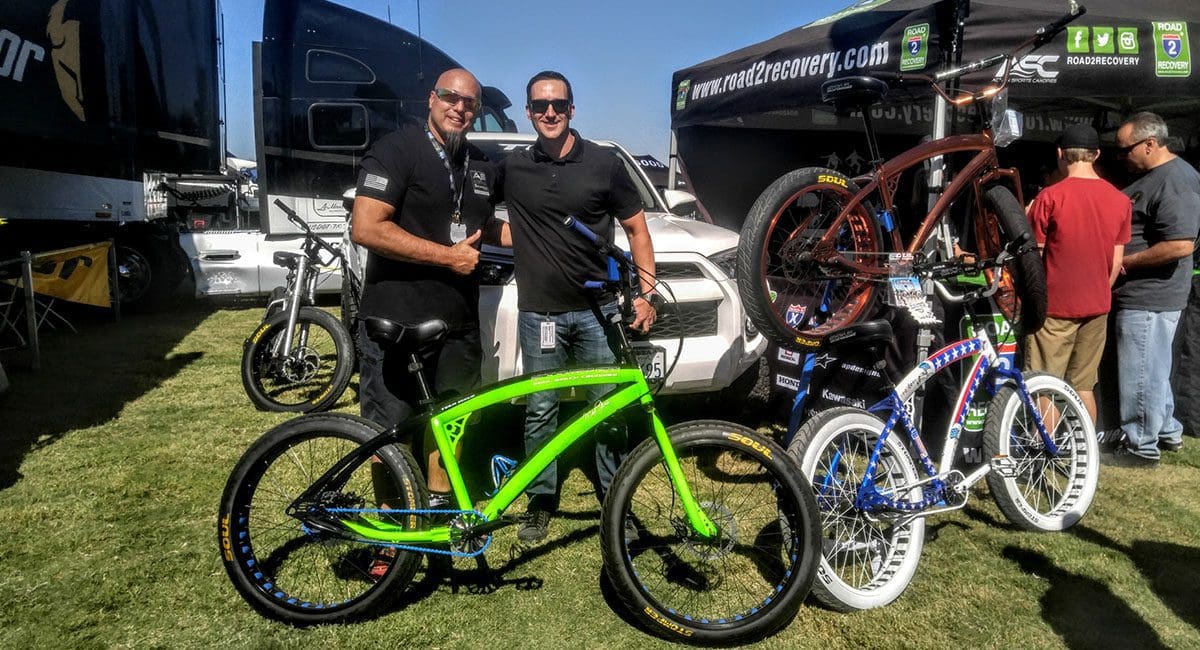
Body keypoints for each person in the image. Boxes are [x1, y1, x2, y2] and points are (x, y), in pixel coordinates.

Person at [496, 70, 657, 543]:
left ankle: (616, 501)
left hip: (597, 312)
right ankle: (541, 500)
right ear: (527, 112)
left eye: (558, 105)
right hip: (539, 314)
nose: (550, 113)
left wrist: (646, 292)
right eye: (540, 106)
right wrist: (518, 239)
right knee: (541, 409)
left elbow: (637, 230)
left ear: (572, 109)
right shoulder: (512, 166)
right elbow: (479, 216)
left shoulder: (604, 163)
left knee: (606, 408)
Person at [351, 68, 508, 501]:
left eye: (470, 103)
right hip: (397, 319)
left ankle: (439, 508)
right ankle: (393, 523)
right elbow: (366, 227)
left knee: (450, 425)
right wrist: (448, 257)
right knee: (390, 432)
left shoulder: (478, 163)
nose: (459, 108)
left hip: (458, 323)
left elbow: (485, 226)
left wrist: (543, 237)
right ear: (431, 98)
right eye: (450, 97)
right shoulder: (396, 150)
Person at [1106, 112, 1200, 467]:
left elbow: (1180, 245)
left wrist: (1125, 263)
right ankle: (1166, 430)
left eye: (1125, 149)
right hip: (1145, 292)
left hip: (1151, 293)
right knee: (1154, 365)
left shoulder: (1176, 181)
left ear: (1149, 144)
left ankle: (1140, 445)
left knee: (1141, 368)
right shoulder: (1155, 176)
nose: (1121, 156)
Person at [1023, 124, 1131, 425]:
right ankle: (1087, 454)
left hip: (1055, 307)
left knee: (1045, 384)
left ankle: (1043, 453)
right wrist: (1097, 290)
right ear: (1096, 155)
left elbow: (1035, 258)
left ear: (1060, 154)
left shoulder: (1049, 197)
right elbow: (1115, 263)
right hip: (1097, 306)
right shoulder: (1120, 200)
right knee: (1084, 385)